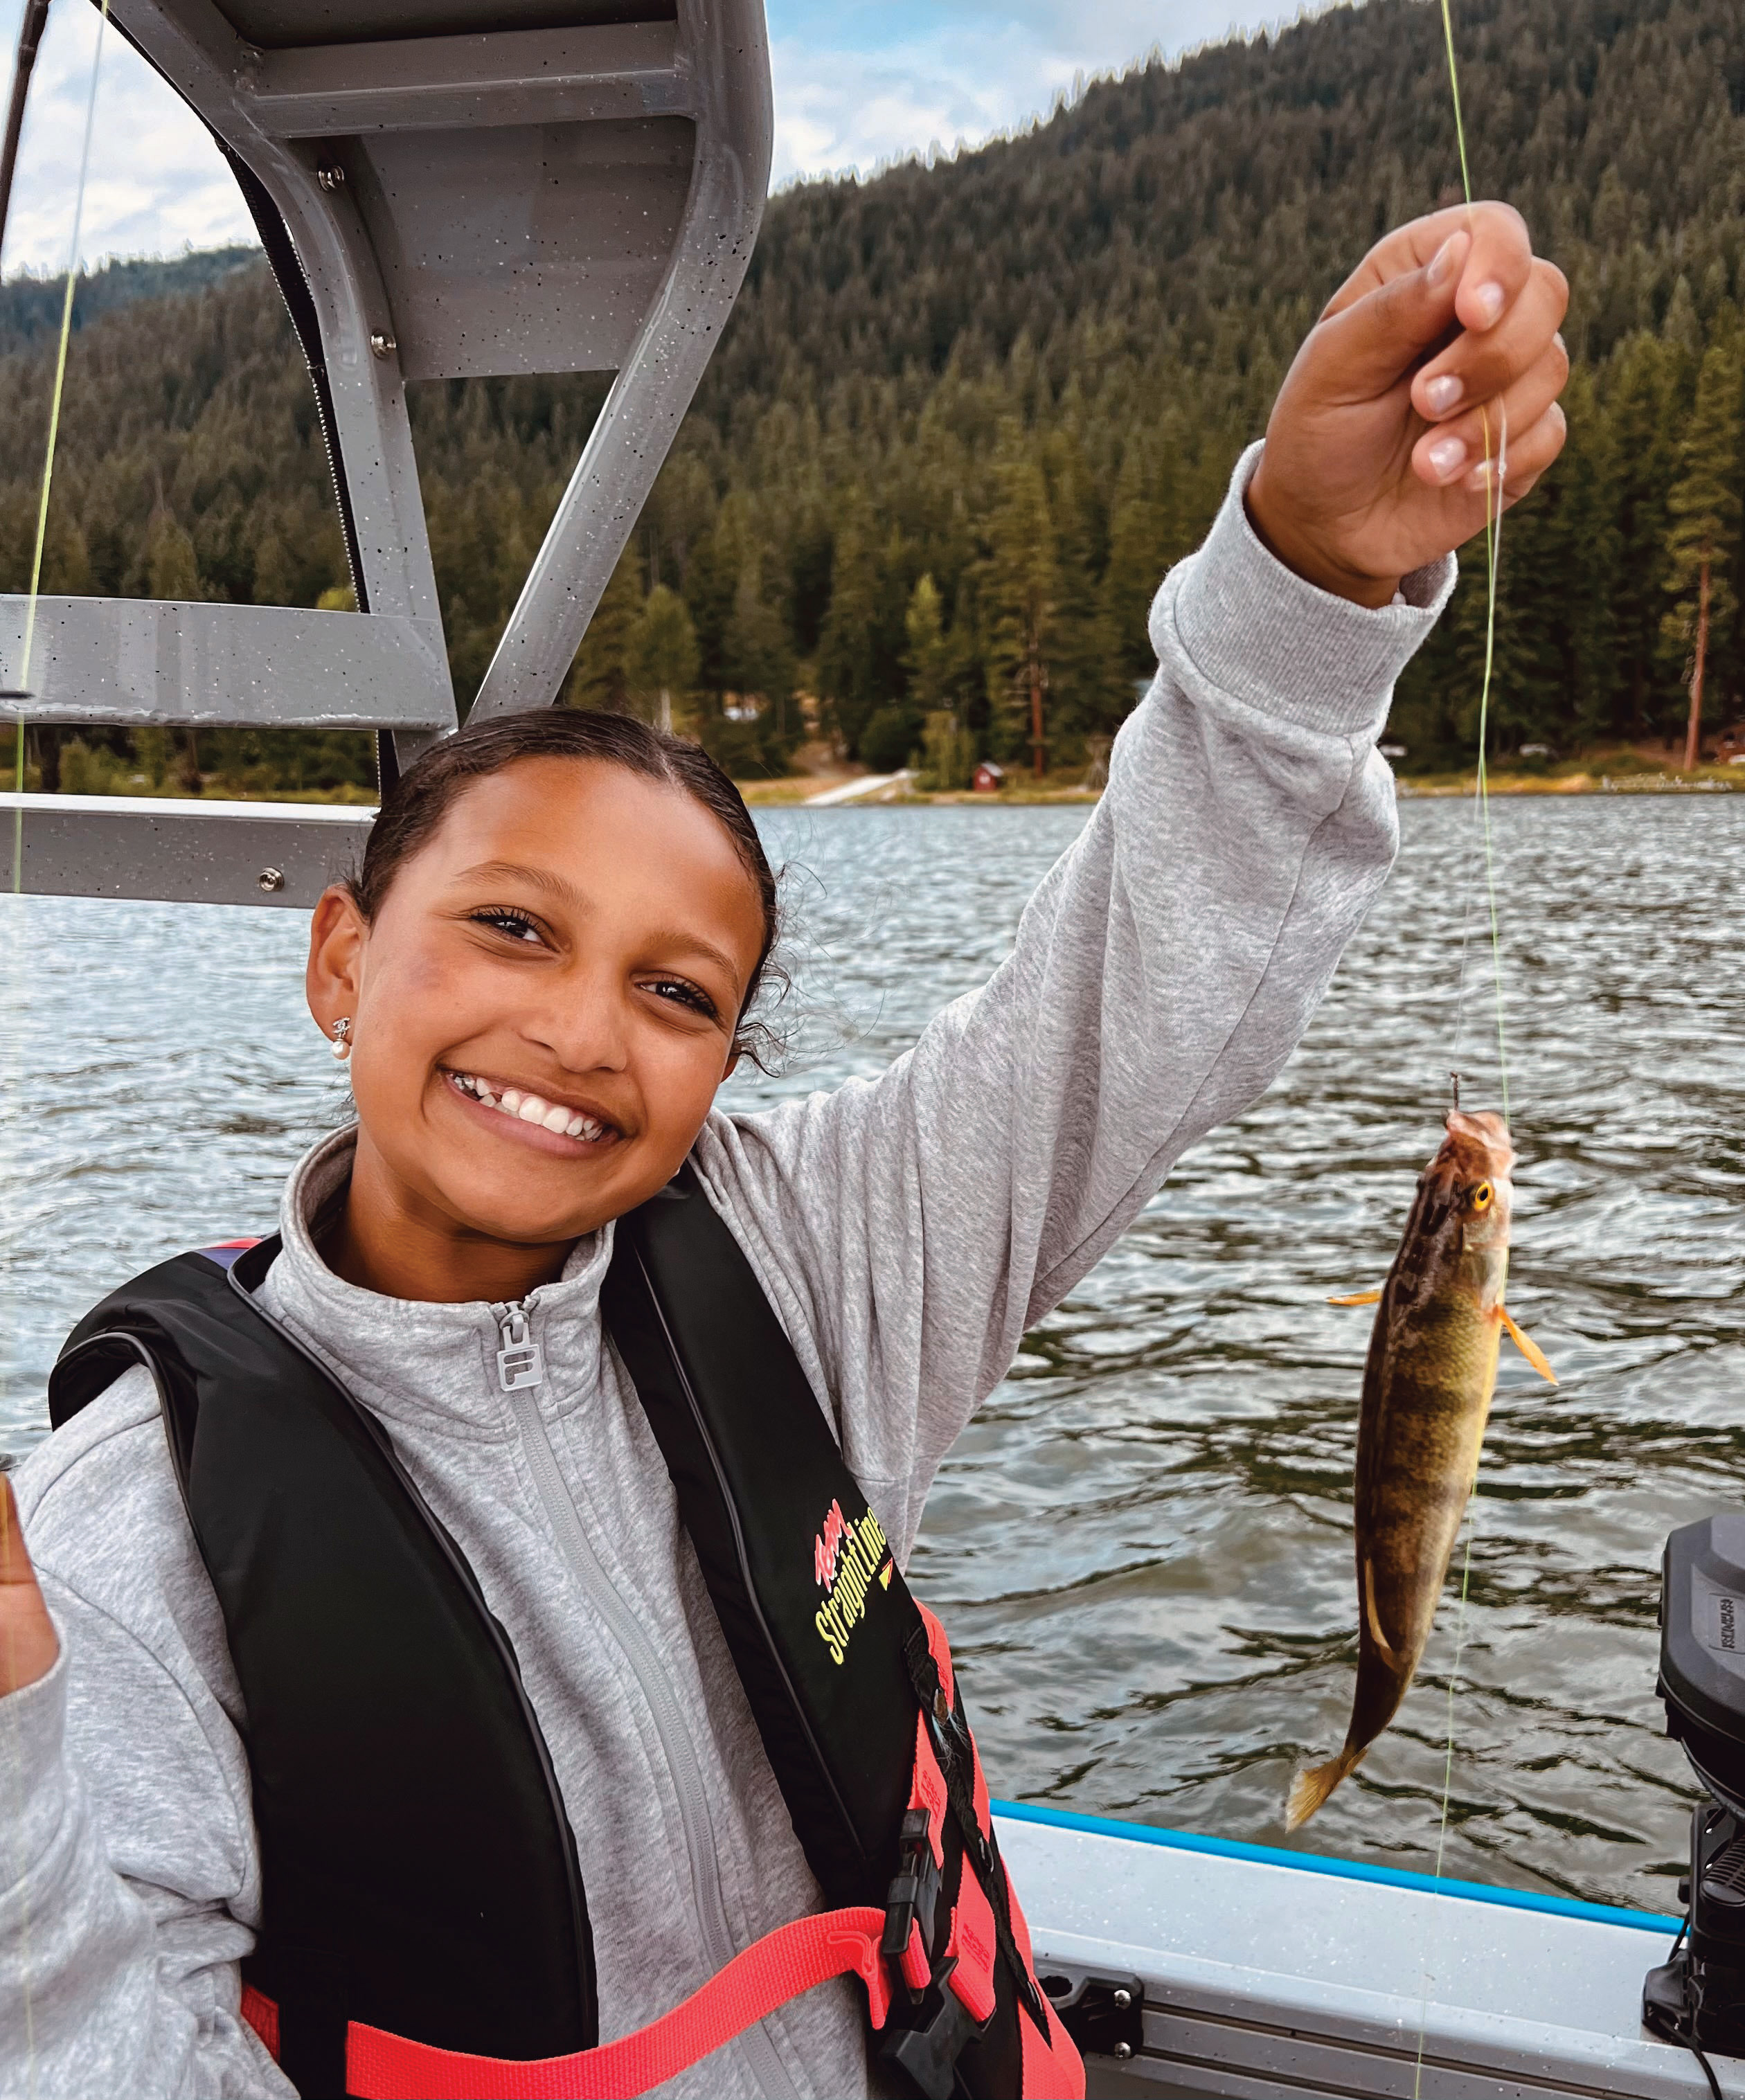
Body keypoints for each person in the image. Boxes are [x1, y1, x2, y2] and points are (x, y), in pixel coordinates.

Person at [0, 203, 1567, 2100]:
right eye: (512, 927)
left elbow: (1128, 1008)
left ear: (728, 1058)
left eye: (677, 992)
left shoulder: (795, 1250)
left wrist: (1311, 575)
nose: (582, 1030)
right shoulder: (128, 1535)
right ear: (344, 959)